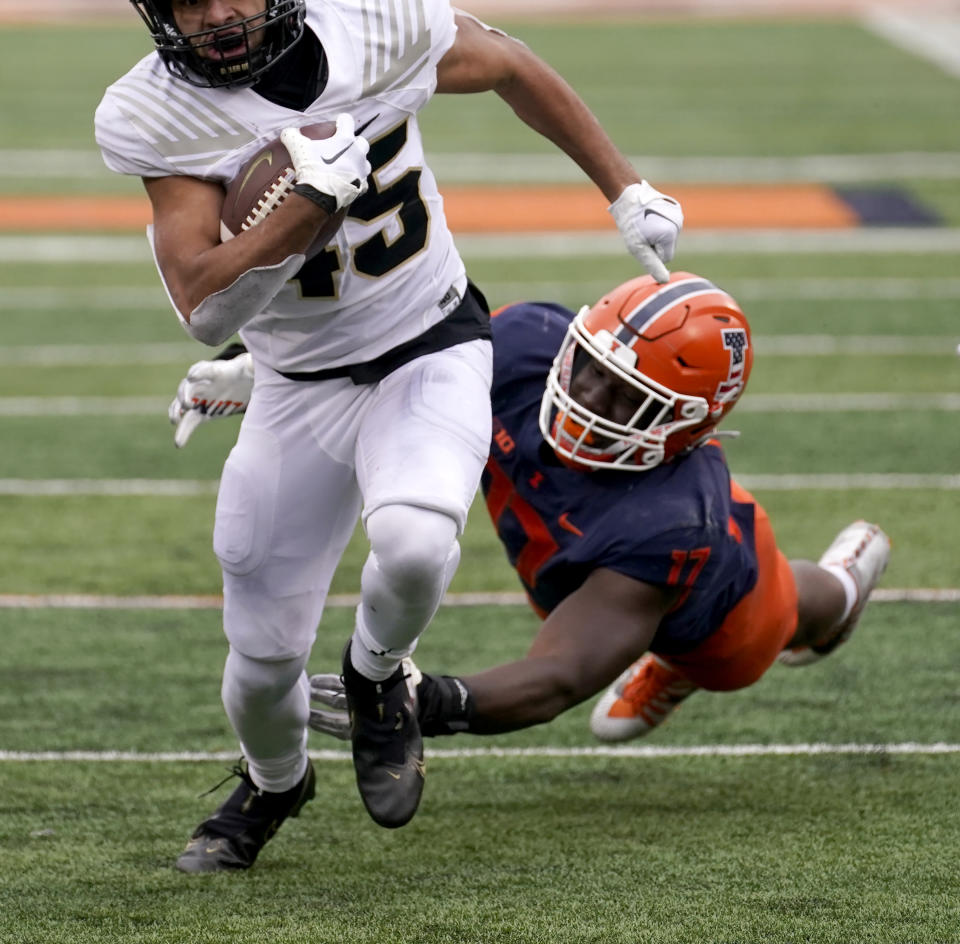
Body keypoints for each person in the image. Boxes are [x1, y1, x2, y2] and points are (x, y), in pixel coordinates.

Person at [95, 0, 684, 870]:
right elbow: (205, 308)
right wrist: (299, 212)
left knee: (413, 545)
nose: (216, 16)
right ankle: (275, 784)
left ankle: (379, 679)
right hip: (297, 380)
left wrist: (624, 187)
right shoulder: (156, 115)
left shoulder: (382, 12)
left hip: (430, 338)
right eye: (190, 1)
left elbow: (509, 65)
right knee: (259, 663)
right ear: (161, 14)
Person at [172, 271, 891, 814]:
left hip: (715, 600)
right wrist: (266, 372)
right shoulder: (521, 348)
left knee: (784, 617)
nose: (589, 401)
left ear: (688, 426)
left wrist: (434, 701)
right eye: (590, 369)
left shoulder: (671, 526)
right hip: (585, 556)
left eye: (627, 400)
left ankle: (839, 587)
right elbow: (395, 355)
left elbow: (560, 675)